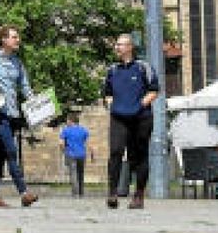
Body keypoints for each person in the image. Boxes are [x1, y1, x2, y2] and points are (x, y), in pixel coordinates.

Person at [102, 33, 160, 209]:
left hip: (141, 118)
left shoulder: (144, 67)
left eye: (120, 45)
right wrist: (110, 102)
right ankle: (112, 193)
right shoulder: (112, 70)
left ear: (129, 47)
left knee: (139, 156)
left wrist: (141, 104)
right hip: (119, 117)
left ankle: (139, 196)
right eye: (116, 45)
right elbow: (107, 91)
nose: (117, 48)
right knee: (116, 152)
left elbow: (154, 90)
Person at [0, 25, 39, 208]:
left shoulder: (17, 63)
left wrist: (36, 104)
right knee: (11, 150)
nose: (18, 40)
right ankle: (23, 192)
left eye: (17, 37)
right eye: (14, 37)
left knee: (1, 155)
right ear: (4, 40)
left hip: (14, 113)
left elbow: (25, 87)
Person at [59, 112, 92, 198]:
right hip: (82, 154)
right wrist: (92, 154)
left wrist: (64, 151)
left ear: (70, 121)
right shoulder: (83, 130)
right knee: (80, 174)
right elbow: (88, 144)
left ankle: (75, 193)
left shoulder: (66, 130)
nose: (66, 122)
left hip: (71, 154)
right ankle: (81, 193)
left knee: (73, 174)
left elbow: (61, 144)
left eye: (67, 120)